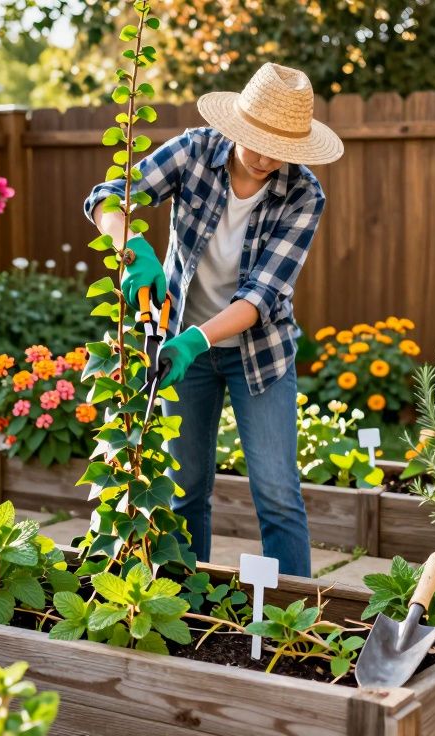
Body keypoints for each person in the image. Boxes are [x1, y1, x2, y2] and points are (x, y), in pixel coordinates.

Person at [83, 63, 343, 576]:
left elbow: (261, 296)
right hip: (182, 349)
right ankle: (185, 604)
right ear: (238, 125)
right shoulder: (195, 151)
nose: (266, 157)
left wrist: (194, 341)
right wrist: (132, 244)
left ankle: (293, 621)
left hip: (258, 355)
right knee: (185, 489)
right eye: (257, 140)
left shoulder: (304, 194)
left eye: (280, 146)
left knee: (277, 492)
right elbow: (107, 198)